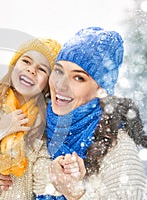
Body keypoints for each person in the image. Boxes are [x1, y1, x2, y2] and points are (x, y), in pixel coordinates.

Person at [0, 37, 77, 199]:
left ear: (48, 83)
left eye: (42, 69)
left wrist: (57, 174)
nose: (31, 70)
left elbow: (41, 182)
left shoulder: (43, 123)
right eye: (26, 61)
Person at [39, 26, 147, 199]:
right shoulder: (36, 131)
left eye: (78, 78)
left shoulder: (119, 151)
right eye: (59, 71)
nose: (60, 85)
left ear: (101, 91)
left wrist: (75, 194)